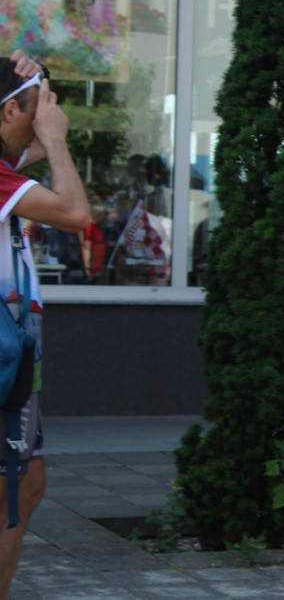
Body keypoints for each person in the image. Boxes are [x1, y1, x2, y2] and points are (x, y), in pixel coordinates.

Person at [0, 50, 90, 597]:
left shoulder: (6, 166)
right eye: (36, 107)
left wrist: (39, 80)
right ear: (10, 112)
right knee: (14, 485)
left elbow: (40, 136)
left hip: (16, 351)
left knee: (26, 484)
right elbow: (76, 213)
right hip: (4, 353)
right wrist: (54, 142)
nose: (47, 117)